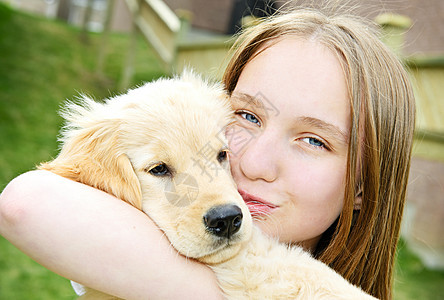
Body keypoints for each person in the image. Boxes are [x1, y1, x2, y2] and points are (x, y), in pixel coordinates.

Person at [0, 6, 415, 300]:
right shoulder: (133, 243)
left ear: (364, 186)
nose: (252, 163)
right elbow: (25, 204)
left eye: (313, 140)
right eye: (248, 117)